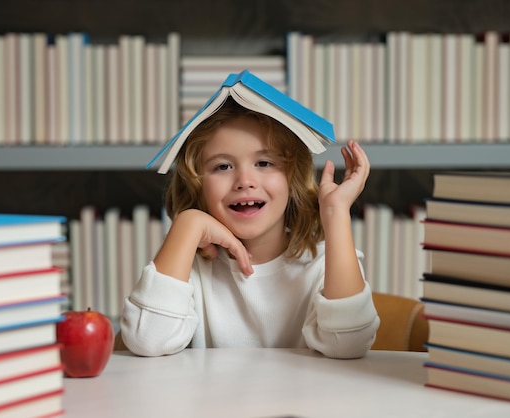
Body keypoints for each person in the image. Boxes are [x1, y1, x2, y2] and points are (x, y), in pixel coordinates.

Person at [120, 98, 380, 358]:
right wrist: (187, 224)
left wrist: (335, 213)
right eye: (223, 166)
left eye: (264, 163)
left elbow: (348, 346)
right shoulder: (187, 264)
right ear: (197, 185)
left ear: (293, 178)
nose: (245, 181)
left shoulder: (324, 264)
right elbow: (148, 341)